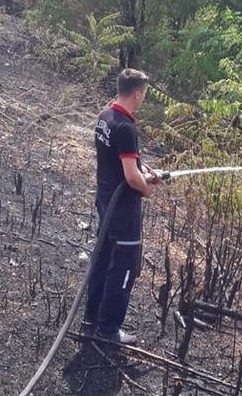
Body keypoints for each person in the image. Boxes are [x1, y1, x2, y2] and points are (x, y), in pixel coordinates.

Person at [83, 68, 160, 344]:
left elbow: (122, 164)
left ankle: (91, 319)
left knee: (103, 260)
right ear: (137, 94)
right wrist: (147, 187)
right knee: (124, 266)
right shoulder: (126, 127)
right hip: (123, 211)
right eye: (144, 95)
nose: (143, 100)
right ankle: (109, 329)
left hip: (105, 204)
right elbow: (130, 177)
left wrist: (142, 169)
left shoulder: (106, 117)